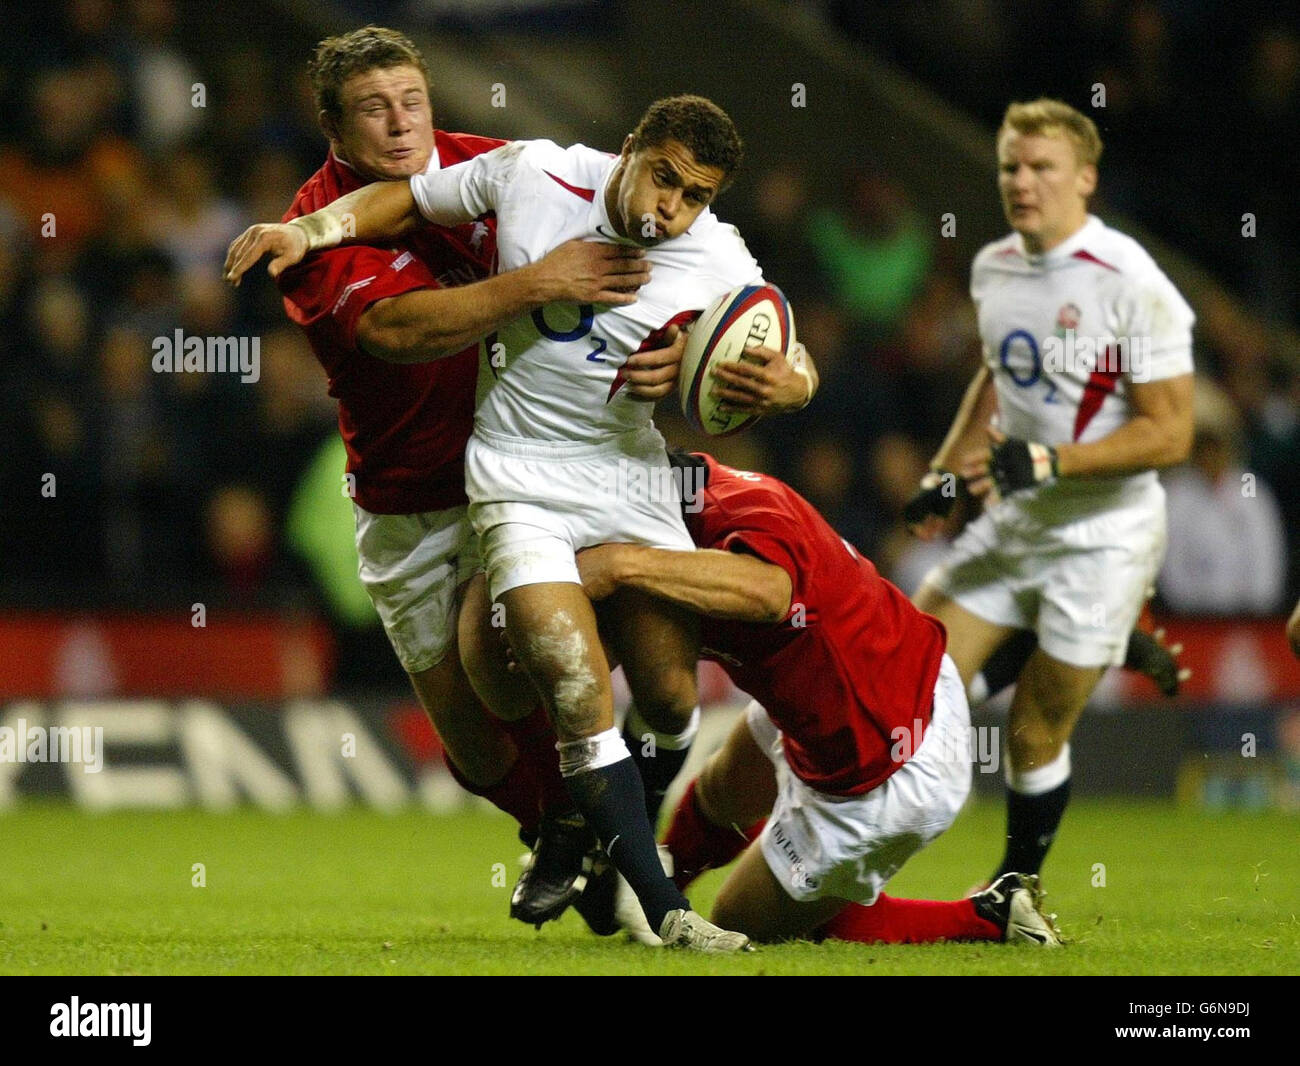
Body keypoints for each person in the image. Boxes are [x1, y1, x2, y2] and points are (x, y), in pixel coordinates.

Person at [226, 94, 818, 952]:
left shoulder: (716, 249)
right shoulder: (534, 173)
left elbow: (789, 351)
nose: (669, 210)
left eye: (693, 195)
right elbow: (409, 198)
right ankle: (667, 912)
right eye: (662, 179)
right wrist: (310, 232)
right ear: (629, 149)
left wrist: (786, 385)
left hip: (630, 479)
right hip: (519, 481)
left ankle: (602, 840)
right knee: (569, 687)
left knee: (667, 696)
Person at [572, 451, 1061, 945]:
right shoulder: (673, 511)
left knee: (741, 919)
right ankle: (647, 891)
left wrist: (620, 563)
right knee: (720, 790)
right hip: (851, 692)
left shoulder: (739, 508)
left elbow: (770, 591)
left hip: (891, 760)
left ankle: (986, 916)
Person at [904, 98, 1194, 884]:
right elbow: (995, 377)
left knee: (1033, 734)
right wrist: (941, 474)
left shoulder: (1133, 283)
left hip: (1105, 536)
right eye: (1011, 167)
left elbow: (1172, 432)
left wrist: (1051, 462)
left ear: (1086, 179)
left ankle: (1015, 890)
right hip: (1018, 520)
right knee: (908, 674)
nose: (1022, 181)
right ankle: (1083, 640)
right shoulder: (994, 265)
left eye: (1042, 168)